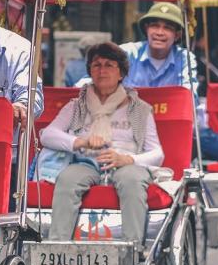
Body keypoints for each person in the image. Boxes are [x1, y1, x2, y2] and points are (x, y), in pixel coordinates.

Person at [41, 43, 163, 246]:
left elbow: (157, 153)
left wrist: (127, 159)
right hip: (87, 162)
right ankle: (57, 248)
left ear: (121, 73)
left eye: (109, 65)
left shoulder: (139, 109)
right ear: (89, 71)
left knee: (132, 181)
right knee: (67, 178)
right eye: (96, 65)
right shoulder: (77, 105)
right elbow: (47, 135)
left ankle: (132, 249)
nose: (102, 70)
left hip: (127, 164)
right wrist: (81, 141)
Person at [121, 2, 200, 89]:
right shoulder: (128, 53)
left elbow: (189, 96)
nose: (159, 33)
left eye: (167, 28)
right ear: (146, 29)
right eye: (155, 26)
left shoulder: (184, 58)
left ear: (177, 35)